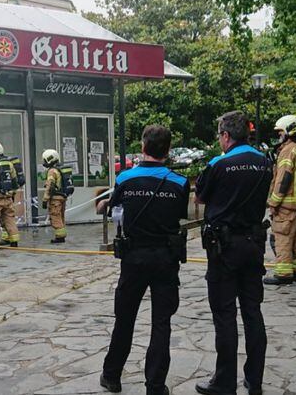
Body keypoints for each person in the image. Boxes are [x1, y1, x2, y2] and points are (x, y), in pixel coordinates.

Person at [98, 125, 189, 395]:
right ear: (168, 150)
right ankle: (155, 385)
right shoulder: (180, 183)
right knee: (162, 323)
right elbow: (179, 216)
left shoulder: (125, 179)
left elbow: (115, 208)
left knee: (124, 318)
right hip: (166, 259)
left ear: (143, 146)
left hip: (134, 258)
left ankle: (112, 376)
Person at [194, 111, 271, 395]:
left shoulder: (219, 163)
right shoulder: (265, 163)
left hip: (224, 248)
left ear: (226, 136)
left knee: (225, 314)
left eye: (219, 136)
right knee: (253, 311)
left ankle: (225, 381)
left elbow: (200, 196)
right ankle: (255, 380)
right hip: (253, 244)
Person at [265, 115, 296, 285]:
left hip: (286, 205)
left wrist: (273, 203)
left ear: (288, 131)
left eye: (280, 133)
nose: (278, 137)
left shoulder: (287, 151)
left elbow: (284, 179)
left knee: (283, 238)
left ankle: (283, 274)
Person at [41, 149, 73, 244]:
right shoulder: (60, 169)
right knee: (61, 216)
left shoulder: (52, 171)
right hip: (63, 197)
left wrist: (45, 199)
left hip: (55, 199)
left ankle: (60, 237)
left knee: (55, 216)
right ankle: (61, 235)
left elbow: (50, 186)